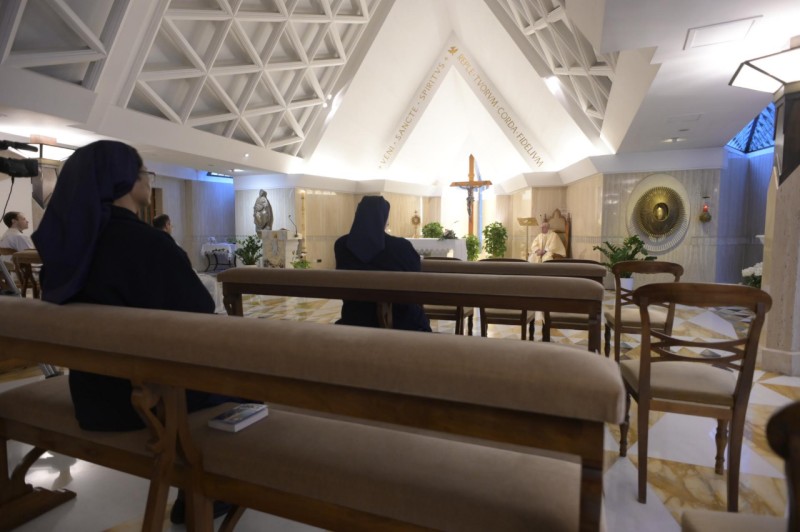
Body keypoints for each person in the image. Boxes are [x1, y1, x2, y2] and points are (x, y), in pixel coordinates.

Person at [32, 140, 233, 523]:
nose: (148, 179)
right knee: (246, 388)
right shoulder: (150, 244)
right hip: (151, 400)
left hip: (92, 394)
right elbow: (200, 316)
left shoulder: (70, 249)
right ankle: (207, 489)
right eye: (144, 172)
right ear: (126, 181)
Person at [334, 195, 431, 332]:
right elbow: (415, 278)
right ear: (384, 219)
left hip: (355, 318)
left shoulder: (342, 245)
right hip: (400, 321)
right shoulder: (401, 246)